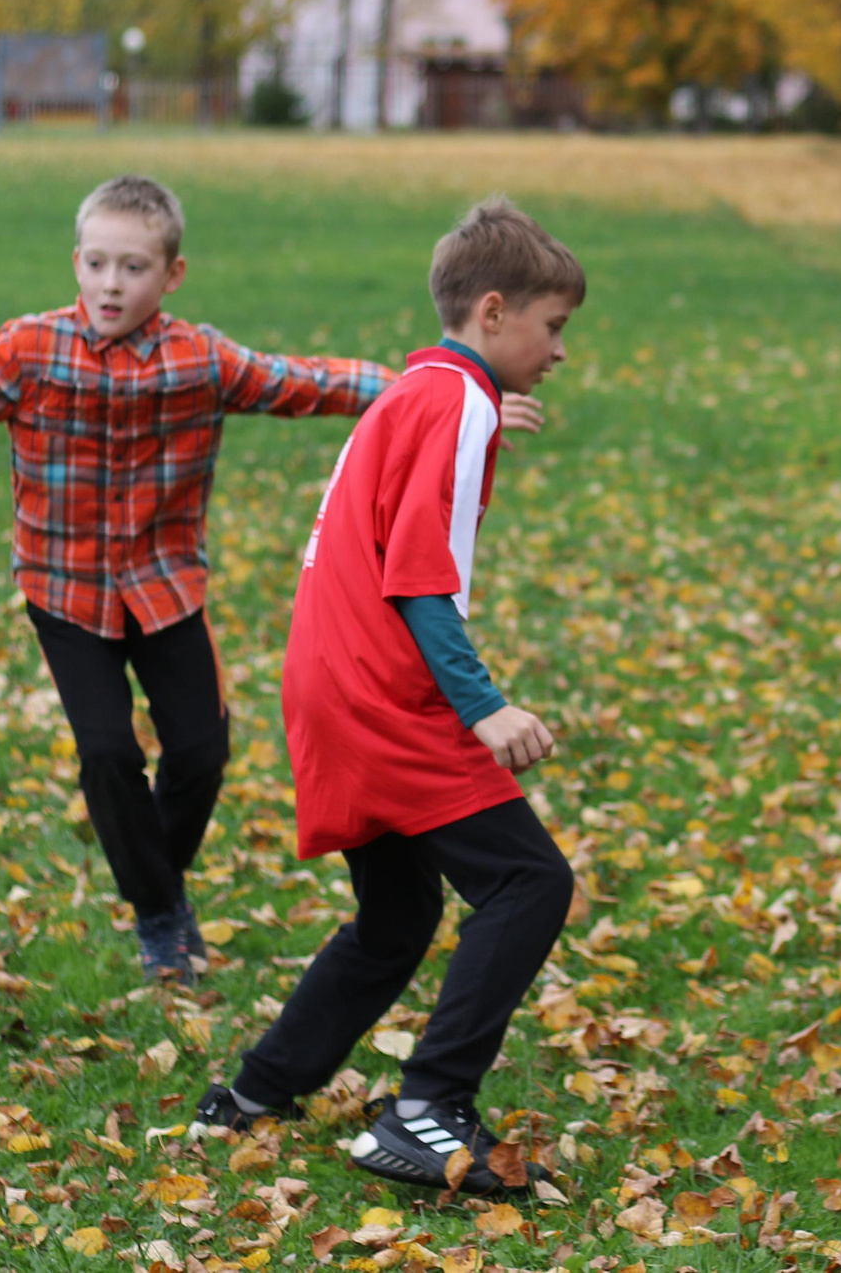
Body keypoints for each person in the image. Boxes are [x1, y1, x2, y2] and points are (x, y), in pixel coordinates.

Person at [0, 174, 537, 981]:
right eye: (96, 264)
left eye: (132, 268)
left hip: (165, 586)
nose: (110, 285)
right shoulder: (29, 351)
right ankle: (160, 910)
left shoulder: (200, 359)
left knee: (201, 750)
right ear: (76, 263)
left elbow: (313, 382)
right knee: (107, 753)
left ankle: (153, 876)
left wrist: (456, 395)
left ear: (172, 275)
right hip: (66, 590)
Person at [194, 196, 581, 1198]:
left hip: (326, 680)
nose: (561, 349)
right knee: (529, 882)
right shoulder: (454, 406)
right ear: (493, 312)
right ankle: (425, 1108)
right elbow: (419, 578)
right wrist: (484, 704)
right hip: (382, 691)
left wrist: (493, 407)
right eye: (554, 326)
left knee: (397, 915)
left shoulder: (429, 394)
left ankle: (255, 1092)